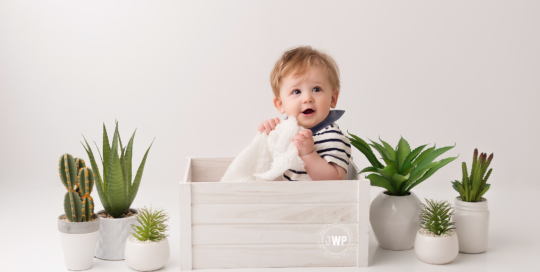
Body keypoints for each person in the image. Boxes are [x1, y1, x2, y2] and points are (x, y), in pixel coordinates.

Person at [258, 46, 351, 181]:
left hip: (321, 202)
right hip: (288, 200)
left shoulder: (332, 136)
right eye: (296, 92)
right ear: (280, 104)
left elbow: (336, 179)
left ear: (333, 98)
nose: (307, 98)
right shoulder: (283, 132)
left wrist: (309, 154)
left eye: (316, 89)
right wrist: (267, 136)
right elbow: (263, 163)